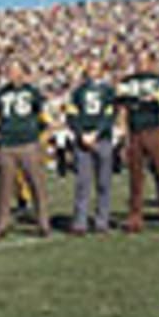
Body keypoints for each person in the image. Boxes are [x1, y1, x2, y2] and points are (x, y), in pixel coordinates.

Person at [115, 50, 159, 233]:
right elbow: (122, 104)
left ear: (151, 62)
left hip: (154, 130)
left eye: (144, 60)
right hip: (135, 131)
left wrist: (139, 101)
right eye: (138, 60)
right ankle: (135, 217)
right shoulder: (127, 81)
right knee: (135, 178)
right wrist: (123, 133)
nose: (140, 64)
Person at [0, 59, 51, 238]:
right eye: (10, 70)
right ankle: (2, 223)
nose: (13, 74)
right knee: (5, 187)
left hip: (28, 143)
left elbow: (42, 117)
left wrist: (34, 134)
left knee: (36, 185)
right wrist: (0, 131)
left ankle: (43, 222)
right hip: (7, 144)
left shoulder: (33, 92)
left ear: (24, 73)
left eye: (16, 71)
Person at [66, 58, 116, 235]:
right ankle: (80, 221)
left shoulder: (109, 91)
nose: (92, 70)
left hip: (102, 139)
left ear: (102, 70)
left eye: (96, 67)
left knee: (103, 182)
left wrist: (97, 133)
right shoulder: (78, 91)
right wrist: (81, 134)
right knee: (82, 183)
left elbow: (109, 115)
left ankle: (102, 220)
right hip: (83, 140)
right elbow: (71, 116)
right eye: (90, 67)